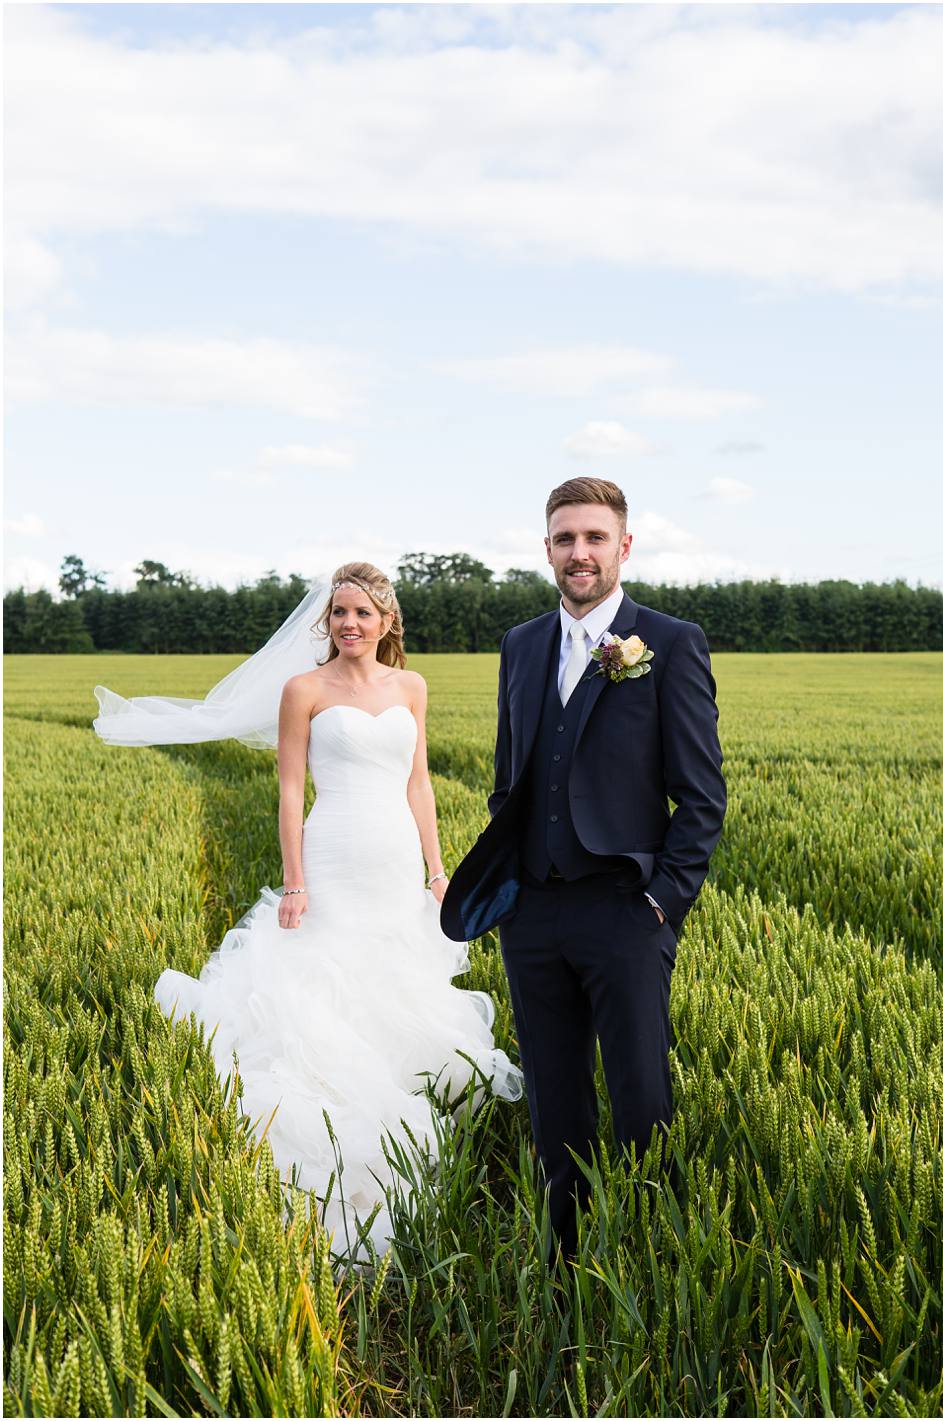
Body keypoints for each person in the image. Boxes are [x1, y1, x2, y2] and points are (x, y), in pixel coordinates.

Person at [93, 561, 523, 1258]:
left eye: (362, 612)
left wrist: (438, 869)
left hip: (393, 858)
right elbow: (291, 792)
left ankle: (396, 1081)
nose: (349, 624)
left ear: (387, 620)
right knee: (326, 969)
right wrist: (295, 882)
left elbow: (419, 785)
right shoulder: (305, 689)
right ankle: (336, 1105)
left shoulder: (411, 686)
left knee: (394, 967)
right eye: (339, 613)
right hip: (333, 852)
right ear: (326, 623)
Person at [441, 479, 726, 1259]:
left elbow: (702, 797)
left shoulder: (667, 642)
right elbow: (509, 779)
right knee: (554, 1105)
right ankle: (564, 1267)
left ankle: (651, 1261)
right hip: (531, 912)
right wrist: (510, 893)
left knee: (642, 1100)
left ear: (623, 547)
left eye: (595, 537)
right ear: (547, 550)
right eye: (565, 538)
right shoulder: (521, 644)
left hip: (625, 912)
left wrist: (663, 901)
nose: (580, 552)